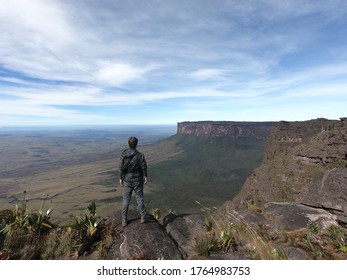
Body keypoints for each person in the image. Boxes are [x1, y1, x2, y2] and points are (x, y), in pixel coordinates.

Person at [119, 136, 148, 227]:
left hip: (127, 179)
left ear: (129, 144)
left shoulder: (124, 155)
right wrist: (145, 176)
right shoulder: (140, 155)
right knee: (139, 198)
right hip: (138, 180)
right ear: (136, 144)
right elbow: (144, 167)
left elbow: (121, 167)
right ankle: (143, 216)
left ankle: (124, 220)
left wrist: (121, 177)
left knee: (126, 200)